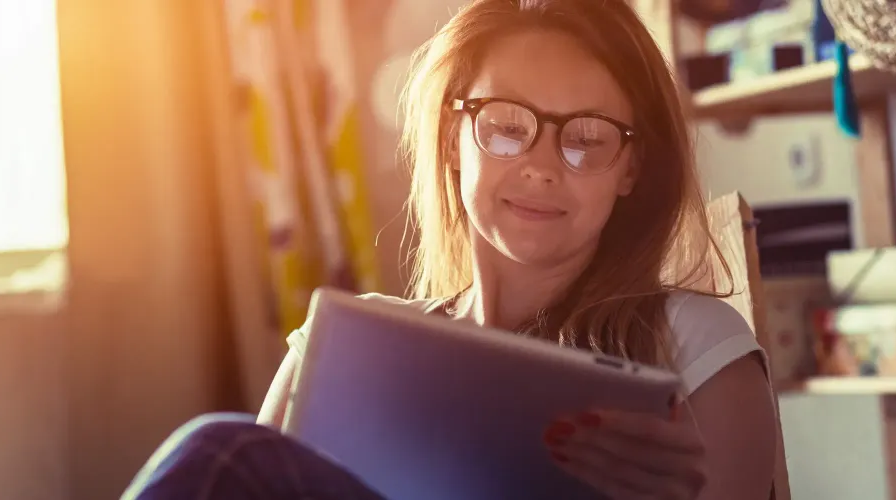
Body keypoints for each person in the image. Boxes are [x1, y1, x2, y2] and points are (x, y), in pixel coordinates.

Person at [122, 0, 778, 498]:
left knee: (221, 450)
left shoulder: (696, 344)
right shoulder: (342, 349)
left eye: (586, 137)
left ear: (630, 168)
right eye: (506, 127)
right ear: (451, 140)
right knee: (227, 453)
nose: (542, 166)